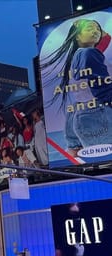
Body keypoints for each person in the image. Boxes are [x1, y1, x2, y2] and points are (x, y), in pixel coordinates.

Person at [41, 18, 112, 155]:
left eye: (97, 29)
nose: (96, 31)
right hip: (101, 113)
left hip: (82, 116)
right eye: (89, 28)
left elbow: (105, 39)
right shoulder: (89, 54)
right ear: (77, 36)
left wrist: (72, 141)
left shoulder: (80, 56)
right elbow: (102, 88)